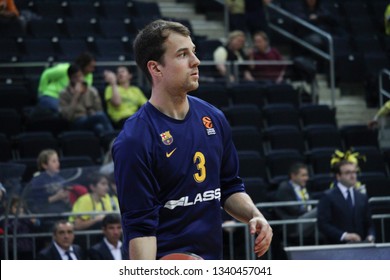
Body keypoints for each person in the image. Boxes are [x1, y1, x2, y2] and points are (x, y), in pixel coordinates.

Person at [112, 19, 272, 260]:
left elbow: (229, 188)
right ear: (156, 68)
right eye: (182, 54)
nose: (196, 61)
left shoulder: (214, 119)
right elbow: (141, 230)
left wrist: (254, 214)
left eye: (194, 52)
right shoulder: (134, 140)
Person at [317, 160, 375, 244]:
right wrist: (344, 235)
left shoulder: (362, 197)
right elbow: (323, 224)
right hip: (337, 246)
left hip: (360, 246)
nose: (353, 176)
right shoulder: (328, 196)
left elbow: (369, 224)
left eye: (354, 172)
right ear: (338, 176)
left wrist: (371, 235)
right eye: (348, 173)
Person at [59, 63, 114, 136]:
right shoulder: (64, 93)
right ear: (70, 78)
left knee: (99, 128)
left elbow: (99, 109)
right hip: (76, 122)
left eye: (81, 76)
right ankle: (115, 139)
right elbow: (68, 117)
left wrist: (92, 111)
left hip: (91, 118)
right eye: (76, 77)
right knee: (100, 116)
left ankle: (110, 143)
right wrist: (76, 96)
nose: (79, 79)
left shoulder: (91, 91)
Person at [274, 163, 317, 239]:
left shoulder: (304, 187)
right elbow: (294, 210)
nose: (306, 178)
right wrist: (310, 212)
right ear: (293, 176)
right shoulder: (285, 188)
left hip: (307, 220)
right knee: (320, 209)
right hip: (294, 223)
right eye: (303, 175)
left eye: (307, 175)